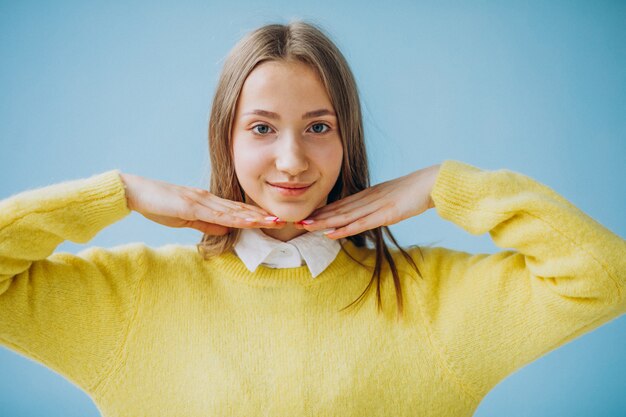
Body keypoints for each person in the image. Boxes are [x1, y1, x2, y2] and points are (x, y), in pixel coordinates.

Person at [0, 20, 624, 417]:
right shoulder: (130, 297)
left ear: (347, 137)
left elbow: (606, 277)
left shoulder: (433, 300)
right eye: (262, 128)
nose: (292, 159)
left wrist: (447, 186)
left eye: (319, 127)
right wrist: (118, 193)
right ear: (227, 140)